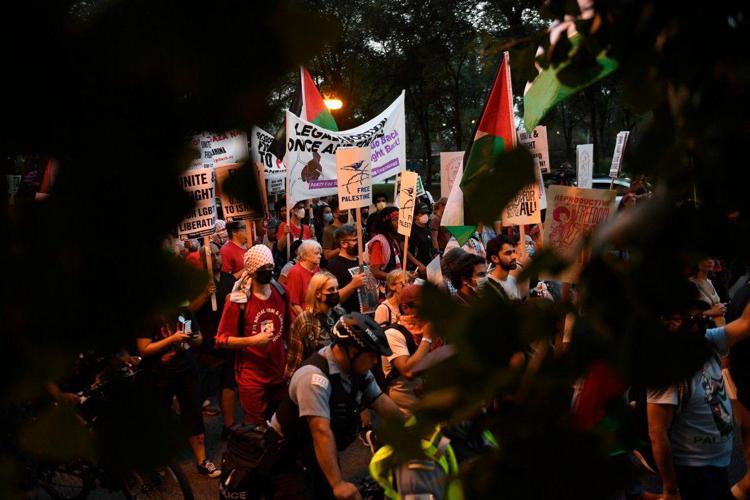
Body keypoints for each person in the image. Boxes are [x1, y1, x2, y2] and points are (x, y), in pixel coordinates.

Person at [268, 313, 404, 499]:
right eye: (371, 355)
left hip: (315, 451)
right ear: (352, 350)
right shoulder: (314, 378)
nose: (375, 362)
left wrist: (413, 431)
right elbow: (320, 431)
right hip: (287, 458)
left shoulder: (358, 371)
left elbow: (380, 401)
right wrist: (338, 484)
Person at [647, 299, 750, 500]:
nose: (700, 323)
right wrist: (670, 489)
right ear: (669, 323)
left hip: (718, 461)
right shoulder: (667, 370)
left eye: (701, 316)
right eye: (691, 318)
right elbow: (657, 432)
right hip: (694, 468)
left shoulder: (707, 342)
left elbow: (746, 324)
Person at [136, 307, 221, 478]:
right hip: (157, 373)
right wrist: (172, 339)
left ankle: (202, 461)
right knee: (159, 416)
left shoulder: (184, 311)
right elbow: (143, 349)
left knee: (193, 412)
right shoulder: (148, 315)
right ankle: (158, 461)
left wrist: (193, 338)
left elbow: (199, 339)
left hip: (186, 369)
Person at [215, 245, 289, 425]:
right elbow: (221, 340)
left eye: (271, 268)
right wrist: (253, 340)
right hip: (252, 377)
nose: (268, 273)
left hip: (278, 372)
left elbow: (289, 329)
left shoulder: (281, 292)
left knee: (282, 426)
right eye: (263, 270)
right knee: (256, 432)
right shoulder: (239, 301)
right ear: (252, 271)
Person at [381, 284, 434, 417]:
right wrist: (427, 338)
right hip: (405, 400)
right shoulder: (394, 333)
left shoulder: (430, 326)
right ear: (405, 307)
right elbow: (408, 371)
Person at [285, 272, 345, 380]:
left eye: (337, 288)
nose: (336, 292)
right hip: (313, 377)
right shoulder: (305, 321)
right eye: (331, 290)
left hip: (338, 377)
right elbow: (295, 360)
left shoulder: (341, 314)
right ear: (318, 294)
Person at [326, 224, 366, 314]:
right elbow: (332, 300)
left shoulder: (361, 262)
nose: (360, 243)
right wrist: (352, 285)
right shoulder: (334, 267)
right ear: (343, 243)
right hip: (350, 318)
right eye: (355, 240)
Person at [481, 234, 530, 301]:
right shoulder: (487, 286)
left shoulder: (512, 280)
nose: (514, 257)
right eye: (508, 253)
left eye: (513, 252)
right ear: (495, 258)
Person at [286, 240, 322, 321]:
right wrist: (308, 321)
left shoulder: (316, 269)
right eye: (316, 253)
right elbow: (294, 304)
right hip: (303, 320)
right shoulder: (295, 272)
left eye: (320, 253)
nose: (320, 256)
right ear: (305, 255)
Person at [367, 206, 402, 283]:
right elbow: (375, 272)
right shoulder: (379, 242)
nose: (400, 223)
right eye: (396, 219)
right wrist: (397, 278)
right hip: (384, 290)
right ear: (386, 223)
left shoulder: (394, 240)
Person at [690, 257, 726, 326]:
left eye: (712, 258)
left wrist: (722, 307)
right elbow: (687, 314)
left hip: (718, 326)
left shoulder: (710, 281)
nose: (710, 261)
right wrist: (712, 312)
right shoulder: (690, 284)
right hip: (702, 329)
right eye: (705, 258)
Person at [220, 221, 248, 299]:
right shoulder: (226, 250)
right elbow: (226, 280)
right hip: (239, 296)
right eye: (243, 227)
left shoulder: (248, 245)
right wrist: (246, 269)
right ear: (234, 232)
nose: (247, 229)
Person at [406, 204, 433, 277]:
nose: (425, 215)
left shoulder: (427, 230)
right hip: (415, 269)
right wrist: (419, 264)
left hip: (427, 267)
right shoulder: (410, 230)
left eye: (427, 213)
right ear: (415, 216)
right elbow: (405, 250)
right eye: (422, 213)